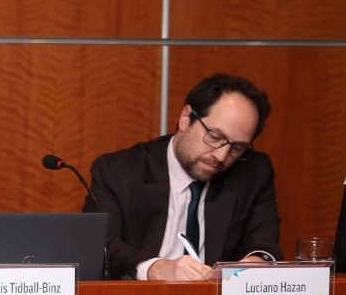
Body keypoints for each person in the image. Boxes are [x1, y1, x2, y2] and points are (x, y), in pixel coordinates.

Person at [86, 73, 281, 280]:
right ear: (185, 119)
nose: (221, 156)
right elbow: (101, 246)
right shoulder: (118, 171)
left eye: (238, 147)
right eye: (214, 137)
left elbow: (262, 242)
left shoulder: (253, 171)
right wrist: (156, 268)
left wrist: (257, 261)